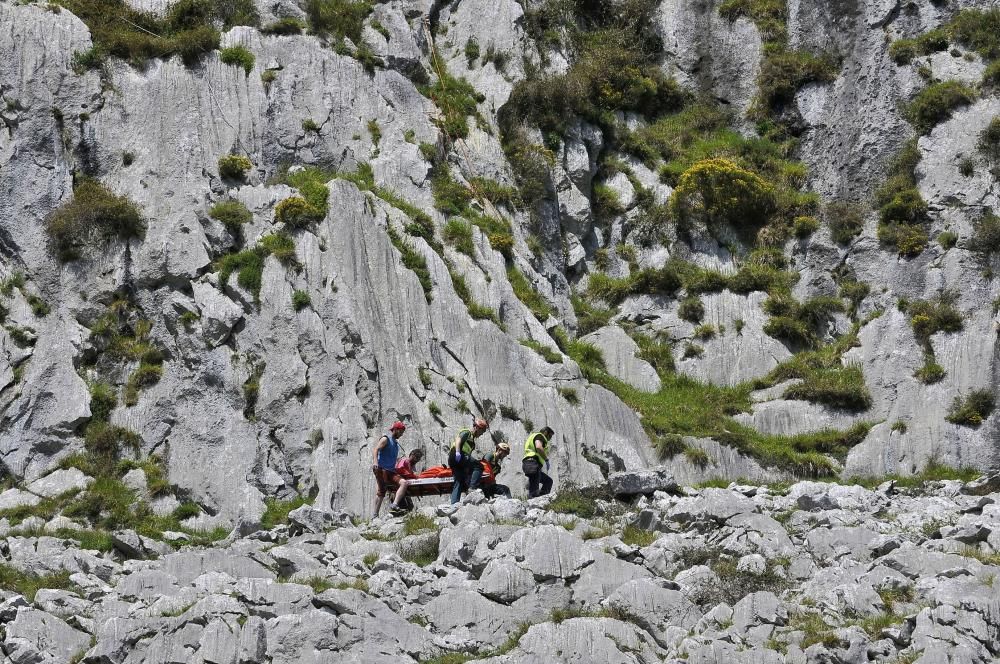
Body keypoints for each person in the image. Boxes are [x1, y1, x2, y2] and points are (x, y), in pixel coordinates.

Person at [371, 421, 411, 517]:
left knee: (404, 483)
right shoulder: (386, 439)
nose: (401, 434)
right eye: (401, 432)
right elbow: (375, 449)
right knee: (381, 491)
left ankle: (395, 504)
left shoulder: (396, 444)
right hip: (381, 469)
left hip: (391, 471)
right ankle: (375, 515)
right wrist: (375, 462)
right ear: (396, 430)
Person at [448, 418, 489, 504]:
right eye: (482, 431)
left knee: (459, 481)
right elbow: (458, 439)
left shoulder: (472, 440)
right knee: (479, 466)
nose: (481, 434)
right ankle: (472, 487)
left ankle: (454, 504)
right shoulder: (467, 432)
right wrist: (458, 452)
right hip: (457, 454)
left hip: (457, 460)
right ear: (478, 428)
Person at [522, 427, 554, 498]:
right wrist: (546, 459)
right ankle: (534, 502)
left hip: (530, 464)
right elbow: (539, 447)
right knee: (534, 491)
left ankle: (542, 499)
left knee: (548, 481)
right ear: (545, 432)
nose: (550, 438)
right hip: (532, 463)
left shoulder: (534, 436)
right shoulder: (540, 436)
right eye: (550, 435)